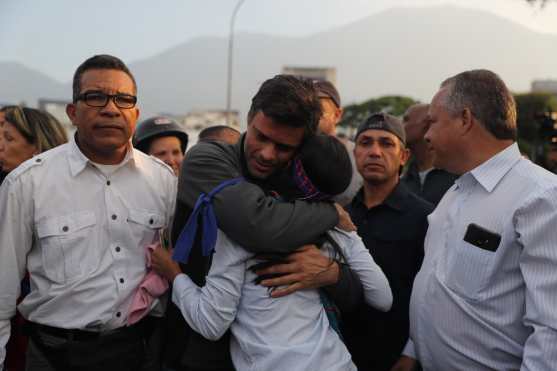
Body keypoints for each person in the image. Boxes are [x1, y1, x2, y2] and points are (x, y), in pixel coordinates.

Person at [165, 75, 362, 371]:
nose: (268, 154)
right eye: (261, 137)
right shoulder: (208, 159)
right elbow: (257, 226)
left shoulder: (303, 187)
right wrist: (330, 214)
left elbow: (358, 290)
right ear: (248, 119)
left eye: (283, 147)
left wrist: (331, 274)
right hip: (199, 352)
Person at [152, 134, 392, 371]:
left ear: (288, 164)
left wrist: (175, 275)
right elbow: (383, 298)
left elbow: (211, 324)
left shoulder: (240, 230)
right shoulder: (339, 226)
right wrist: (334, 268)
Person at [0, 54, 177, 371]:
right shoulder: (27, 183)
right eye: (95, 97)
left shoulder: (163, 181)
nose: (111, 109)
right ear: (72, 112)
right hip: (54, 356)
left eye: (123, 99)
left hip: (138, 352)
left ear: (135, 114)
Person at [400, 70, 557, 370]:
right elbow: (438, 281)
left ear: (465, 119)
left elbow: (551, 331)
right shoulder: (456, 191)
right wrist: (414, 348)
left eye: (433, 121)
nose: (425, 135)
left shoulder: (542, 198)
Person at [343, 113, 433, 371]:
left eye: (386, 143)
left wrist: (411, 353)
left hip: (397, 357)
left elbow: (431, 294)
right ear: (355, 151)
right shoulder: (342, 216)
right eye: (366, 143)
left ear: (403, 156)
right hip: (342, 355)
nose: (374, 152)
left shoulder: (426, 217)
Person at [0, 106, 68, 371]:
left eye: (9, 138)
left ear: (37, 148)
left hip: (39, 330)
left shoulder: (61, 198)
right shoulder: (7, 188)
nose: (1, 146)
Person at [313, 79, 362, 206]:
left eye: (318, 111)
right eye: (305, 110)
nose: (311, 117)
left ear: (337, 115)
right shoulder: (289, 151)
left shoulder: (359, 155)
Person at [401, 104, 457, 206]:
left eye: (406, 120)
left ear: (427, 123)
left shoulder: (459, 178)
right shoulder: (401, 181)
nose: (400, 126)